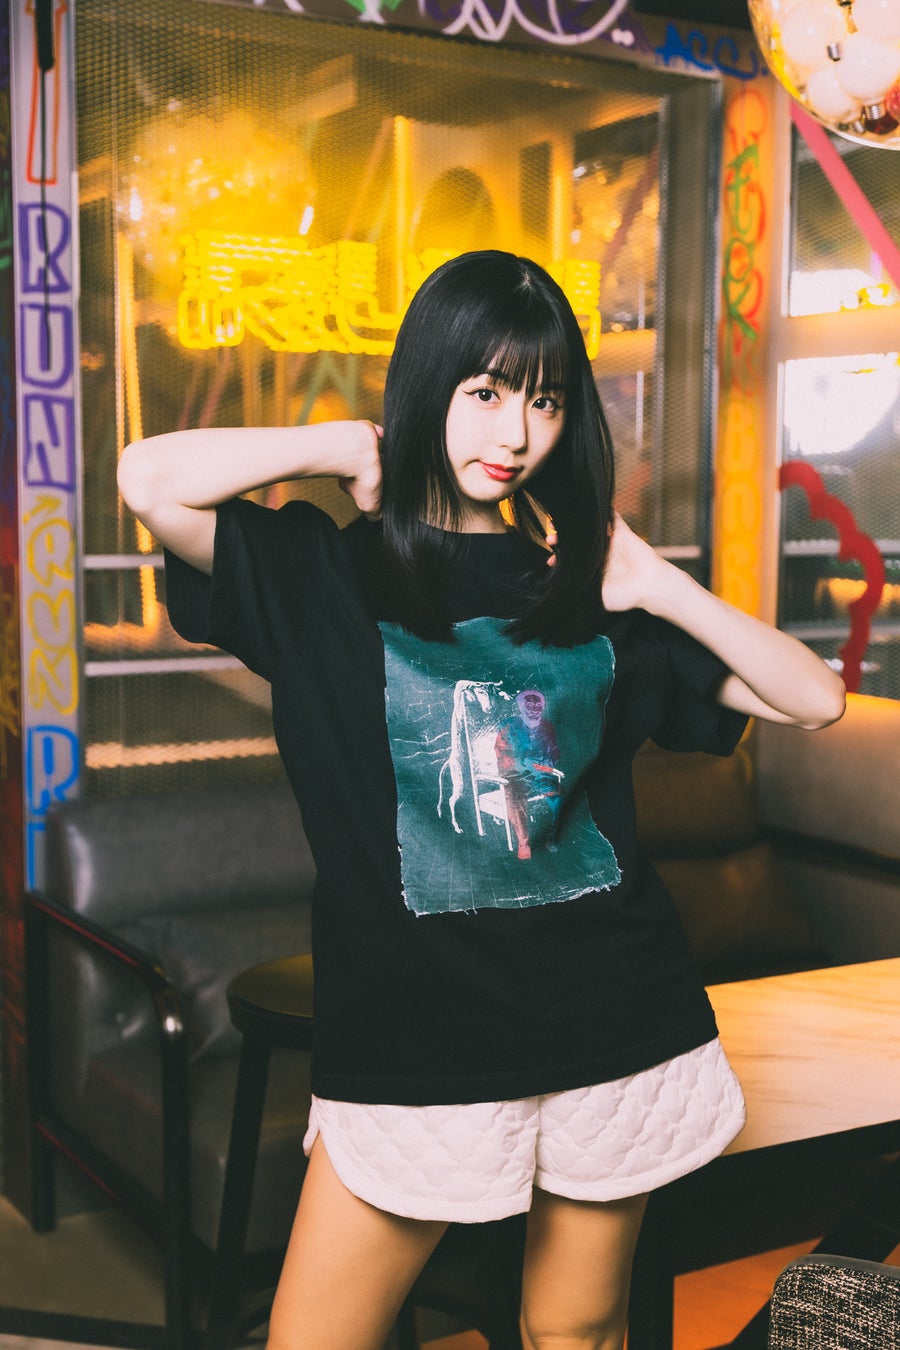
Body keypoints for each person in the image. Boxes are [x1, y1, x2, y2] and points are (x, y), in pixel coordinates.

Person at [118, 250, 845, 1350]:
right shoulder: (326, 576)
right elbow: (148, 479)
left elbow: (815, 698)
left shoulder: (591, 592)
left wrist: (656, 583)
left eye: (545, 402)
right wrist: (342, 447)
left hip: (611, 1022)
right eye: (487, 392)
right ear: (430, 385)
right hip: (413, 1042)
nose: (516, 435)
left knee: (574, 1331)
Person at [494, 688, 563, 859]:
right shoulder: (508, 726)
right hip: (515, 776)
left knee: (558, 797)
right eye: (529, 706)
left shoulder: (548, 726)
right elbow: (501, 754)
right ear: (521, 708)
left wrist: (545, 764)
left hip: (541, 774)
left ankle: (552, 837)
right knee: (515, 801)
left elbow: (554, 752)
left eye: (538, 706)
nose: (534, 710)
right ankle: (523, 843)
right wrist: (523, 762)